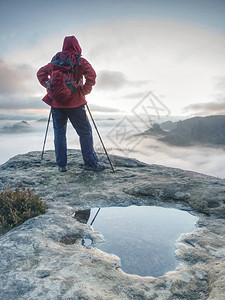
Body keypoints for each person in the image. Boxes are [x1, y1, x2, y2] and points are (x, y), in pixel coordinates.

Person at [37, 36, 105, 172]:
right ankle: (90, 163)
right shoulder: (80, 61)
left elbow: (40, 73)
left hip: (56, 104)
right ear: (77, 46)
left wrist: (48, 86)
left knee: (59, 133)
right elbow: (92, 76)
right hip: (75, 103)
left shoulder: (56, 61)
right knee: (85, 132)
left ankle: (61, 165)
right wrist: (84, 90)